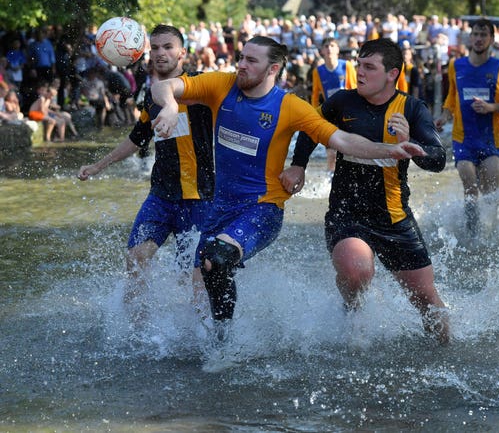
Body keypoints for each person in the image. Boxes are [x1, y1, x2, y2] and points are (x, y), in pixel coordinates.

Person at [150, 35, 427, 338]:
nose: (241, 65)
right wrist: (168, 106)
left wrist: (389, 150)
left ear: (273, 68)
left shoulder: (290, 106)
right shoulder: (222, 85)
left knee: (216, 259)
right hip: (219, 208)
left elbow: (342, 140)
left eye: (251, 61)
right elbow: (165, 85)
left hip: (262, 209)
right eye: (241, 57)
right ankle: (213, 344)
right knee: (200, 294)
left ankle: (224, 347)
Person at [282, 38, 449, 343]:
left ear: (392, 74)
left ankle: (445, 354)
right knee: (356, 269)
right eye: (358, 64)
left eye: (369, 67)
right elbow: (309, 129)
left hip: (394, 218)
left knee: (428, 304)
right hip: (347, 214)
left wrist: (414, 147)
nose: (359, 72)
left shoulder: (411, 108)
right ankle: (351, 314)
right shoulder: (342, 102)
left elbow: (439, 159)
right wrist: (298, 165)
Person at [77, 25, 216, 322]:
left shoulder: (203, 89)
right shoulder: (151, 98)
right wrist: (99, 165)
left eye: (168, 47)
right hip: (162, 197)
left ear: (183, 52)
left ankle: (202, 337)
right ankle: (138, 336)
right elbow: (138, 137)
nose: (161, 53)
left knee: (194, 278)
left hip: (201, 198)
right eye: (156, 47)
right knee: (136, 258)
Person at [435, 18, 499, 237]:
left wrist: (492, 107)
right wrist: (445, 115)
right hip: (463, 138)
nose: (479, 39)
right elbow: (452, 96)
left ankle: (489, 237)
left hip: (490, 139)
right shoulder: (456, 65)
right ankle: (472, 238)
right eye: (476, 34)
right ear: (470, 37)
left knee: (491, 194)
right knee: (470, 187)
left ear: (491, 39)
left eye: (484, 35)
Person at [310, 37, 357, 176]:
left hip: (348, 113)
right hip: (330, 114)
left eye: (332, 45)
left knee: (350, 149)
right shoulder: (317, 71)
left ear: (337, 49)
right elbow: (314, 95)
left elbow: (355, 89)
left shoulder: (346, 66)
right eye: (326, 46)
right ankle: (331, 179)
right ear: (322, 51)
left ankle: (350, 175)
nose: (329, 48)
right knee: (330, 152)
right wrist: (313, 115)